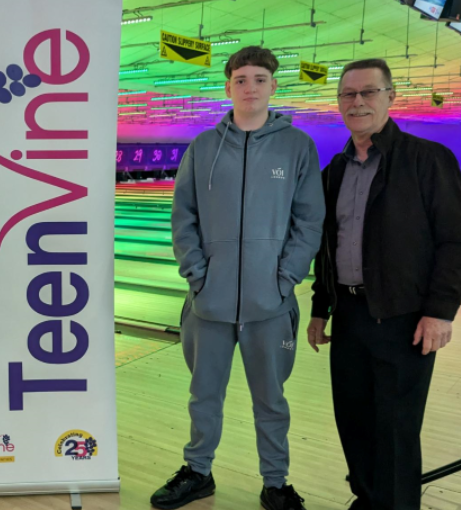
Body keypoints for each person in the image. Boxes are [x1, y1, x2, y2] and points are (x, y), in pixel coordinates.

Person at [152, 46, 324, 510]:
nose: (250, 87)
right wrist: (198, 276)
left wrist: (284, 279)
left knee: (271, 400)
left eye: (259, 79)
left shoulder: (297, 148)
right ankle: (197, 471)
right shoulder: (202, 148)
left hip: (271, 304)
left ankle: (276, 482)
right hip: (209, 302)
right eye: (241, 79)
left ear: (273, 85)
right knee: (203, 394)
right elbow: (182, 217)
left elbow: (310, 222)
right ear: (228, 86)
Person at [307, 58, 461, 510]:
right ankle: (368, 498)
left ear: (389, 97)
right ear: (339, 102)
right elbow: (327, 246)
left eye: (368, 92)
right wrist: (320, 308)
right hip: (349, 315)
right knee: (354, 421)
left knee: (398, 427)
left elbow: (456, 242)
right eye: (348, 94)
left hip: (404, 318)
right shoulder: (334, 172)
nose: (357, 102)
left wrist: (440, 311)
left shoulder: (428, 160)